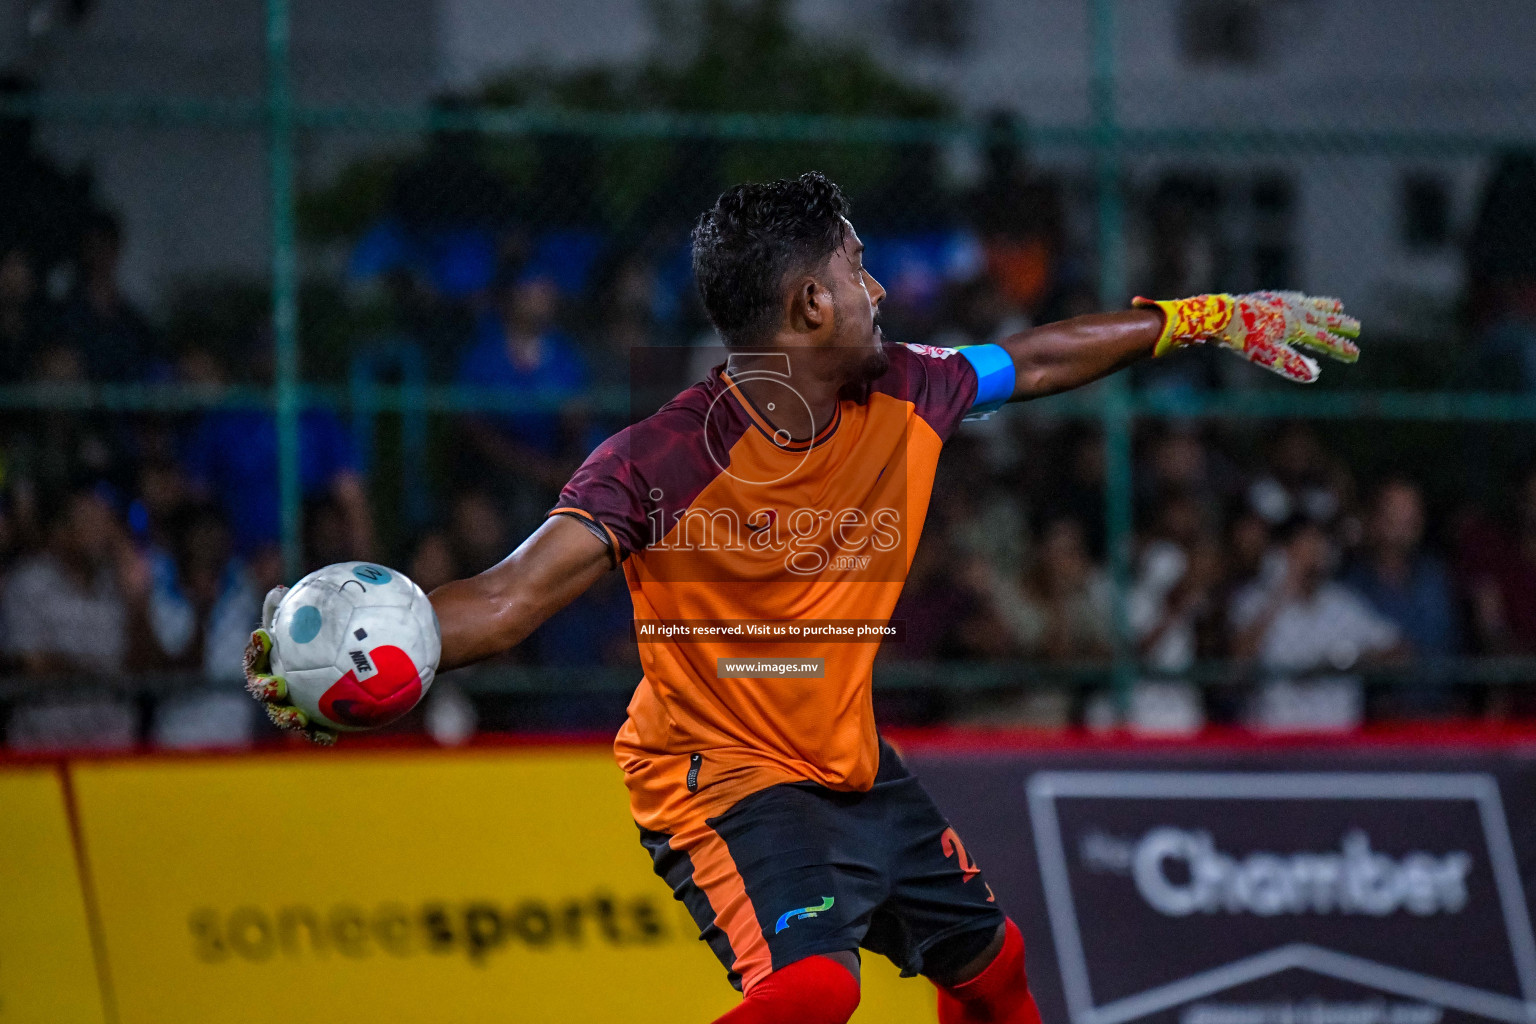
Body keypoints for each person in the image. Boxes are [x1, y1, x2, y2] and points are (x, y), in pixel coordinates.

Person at [246, 173, 1359, 1023]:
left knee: (999, 965)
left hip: (854, 765)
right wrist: (388, 652)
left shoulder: (913, 387)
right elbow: (512, 595)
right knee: (821, 988)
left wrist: (1204, 316)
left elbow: (1045, 356)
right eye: (862, 266)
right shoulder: (663, 457)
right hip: (720, 777)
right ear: (810, 303)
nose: (882, 287)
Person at [1230, 518, 1405, 732]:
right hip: (1273, 740)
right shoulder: (1252, 600)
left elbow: (1400, 651)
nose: (1314, 556)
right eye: (1305, 546)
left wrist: (1350, 661)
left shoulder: (1344, 603)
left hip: (1336, 741)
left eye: (1319, 546)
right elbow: (1237, 662)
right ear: (1282, 552)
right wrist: (1280, 594)